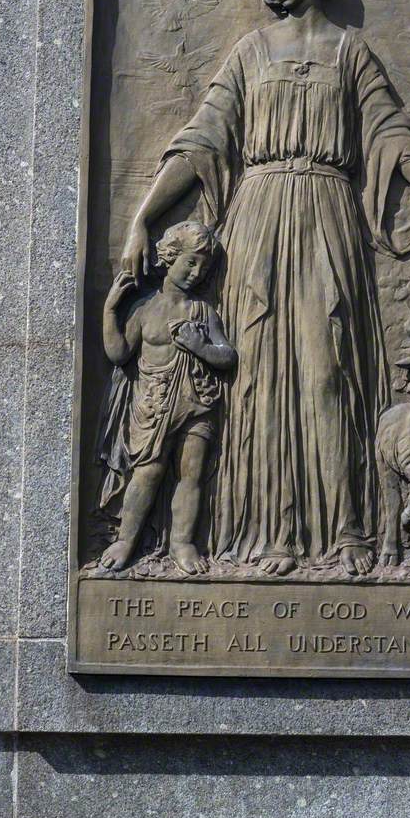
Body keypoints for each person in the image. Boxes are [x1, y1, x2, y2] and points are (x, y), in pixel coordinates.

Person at [121, 0, 410, 577]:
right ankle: (274, 537)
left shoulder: (350, 54)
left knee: (326, 373)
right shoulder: (249, 53)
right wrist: (143, 220)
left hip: (327, 212)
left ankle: (349, 536)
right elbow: (200, 141)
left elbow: (394, 137)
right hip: (258, 217)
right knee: (257, 376)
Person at [97, 220, 236, 575]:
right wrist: (110, 311)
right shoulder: (145, 309)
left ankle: (183, 543)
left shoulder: (204, 312)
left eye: (204, 266)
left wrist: (200, 345)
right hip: (154, 406)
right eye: (190, 262)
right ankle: (126, 540)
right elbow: (119, 353)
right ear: (169, 257)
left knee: (192, 474)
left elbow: (227, 356)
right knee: (149, 474)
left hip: (197, 403)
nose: (196, 272)